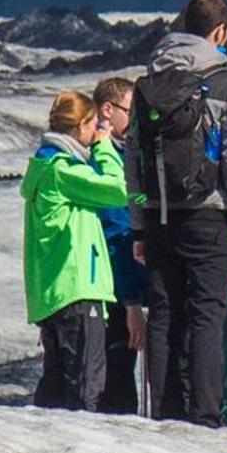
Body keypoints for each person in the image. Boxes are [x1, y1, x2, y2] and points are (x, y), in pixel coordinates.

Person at [129, 0, 227, 428]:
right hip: (210, 214)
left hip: (159, 216)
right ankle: (204, 415)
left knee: (165, 312)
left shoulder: (148, 85)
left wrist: (138, 225)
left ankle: (165, 412)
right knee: (208, 312)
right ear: (221, 31)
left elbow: (133, 161)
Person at [20, 88, 132, 410]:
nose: (97, 130)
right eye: (94, 124)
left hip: (55, 292)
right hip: (77, 289)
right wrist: (106, 147)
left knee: (57, 382)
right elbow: (118, 189)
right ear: (82, 125)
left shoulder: (46, 168)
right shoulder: (63, 171)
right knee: (86, 383)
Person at [89, 76, 153, 417]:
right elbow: (118, 225)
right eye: (133, 110)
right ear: (108, 110)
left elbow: (135, 200)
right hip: (110, 287)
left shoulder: (122, 153)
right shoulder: (103, 158)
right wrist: (131, 303)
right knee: (116, 385)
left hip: (115, 285)